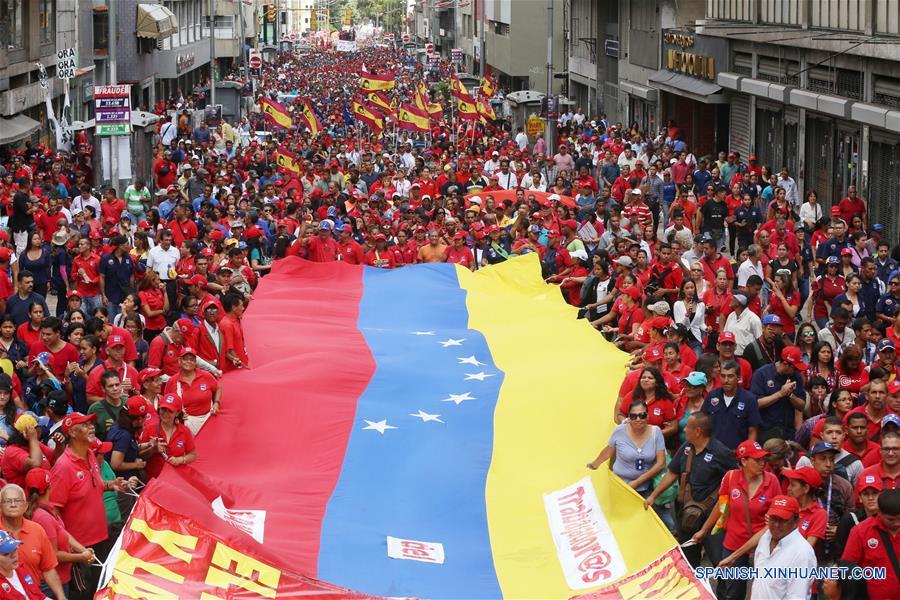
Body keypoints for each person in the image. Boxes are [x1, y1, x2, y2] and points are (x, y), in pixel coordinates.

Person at [690, 440, 781, 600]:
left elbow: (776, 518)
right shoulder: (731, 477)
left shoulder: (772, 481)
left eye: (763, 459)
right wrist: (704, 530)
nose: (762, 463)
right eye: (757, 459)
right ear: (744, 461)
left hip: (763, 547)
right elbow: (721, 505)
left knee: (764, 592)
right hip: (733, 545)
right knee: (733, 593)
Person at [642, 412, 736, 566]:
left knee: (718, 560)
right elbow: (672, 473)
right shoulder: (686, 448)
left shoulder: (721, 452)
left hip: (711, 518)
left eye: (687, 427)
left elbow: (734, 480)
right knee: (689, 561)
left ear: (698, 431)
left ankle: (721, 590)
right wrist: (653, 496)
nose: (684, 430)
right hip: (687, 516)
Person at [49, 413, 126, 597]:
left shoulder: (90, 454)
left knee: (100, 589)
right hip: (80, 549)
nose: (91, 427)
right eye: (85, 425)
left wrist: (110, 485)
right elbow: (53, 510)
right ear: (73, 433)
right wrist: (73, 547)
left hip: (101, 538)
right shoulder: (63, 467)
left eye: (91, 423)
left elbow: (94, 485)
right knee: (84, 594)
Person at [0, 483, 66, 600]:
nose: (13, 504)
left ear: (26, 506)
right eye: (7, 501)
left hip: (32, 592)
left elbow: (49, 569)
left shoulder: (37, 530)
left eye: (17, 500)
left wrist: (61, 597)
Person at [587, 400, 667, 496]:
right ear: (629, 417)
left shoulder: (656, 432)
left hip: (646, 488)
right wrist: (594, 465)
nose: (638, 419)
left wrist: (637, 482)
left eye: (642, 415)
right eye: (634, 416)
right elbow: (609, 450)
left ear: (648, 416)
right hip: (619, 485)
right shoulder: (619, 431)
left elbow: (661, 463)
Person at [749, 495, 818, 599]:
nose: (776, 525)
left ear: (796, 522)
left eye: (782, 520)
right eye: (773, 519)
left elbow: (796, 597)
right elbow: (758, 582)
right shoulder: (766, 537)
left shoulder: (802, 554)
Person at [841, 489, 900, 600]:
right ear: (879, 512)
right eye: (891, 520)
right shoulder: (860, 531)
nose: (897, 523)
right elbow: (847, 567)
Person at [701, 360, 762, 450]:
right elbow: (703, 424)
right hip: (713, 454)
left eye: (730, 376)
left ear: (738, 378)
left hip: (737, 455)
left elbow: (752, 431)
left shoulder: (749, 399)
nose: (726, 380)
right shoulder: (712, 396)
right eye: (723, 376)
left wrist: (746, 453)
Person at [164, 347, 220, 436]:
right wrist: (177, 414)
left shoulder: (206, 375)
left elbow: (218, 387)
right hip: (187, 424)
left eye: (192, 359)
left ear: (195, 362)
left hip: (209, 419)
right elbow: (166, 404)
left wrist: (216, 403)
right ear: (179, 361)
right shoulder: (173, 381)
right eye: (185, 359)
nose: (188, 362)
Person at [139, 392, 196, 479]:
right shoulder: (149, 429)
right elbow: (139, 455)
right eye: (163, 409)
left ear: (177, 413)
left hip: (176, 479)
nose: (165, 413)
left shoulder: (185, 431)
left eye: (170, 411)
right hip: (154, 480)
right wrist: (152, 449)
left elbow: (193, 455)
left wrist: (180, 460)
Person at [0, 529, 45, 599]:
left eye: (14, 549)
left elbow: (40, 597)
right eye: (6, 554)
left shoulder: (21, 569)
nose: (13, 556)